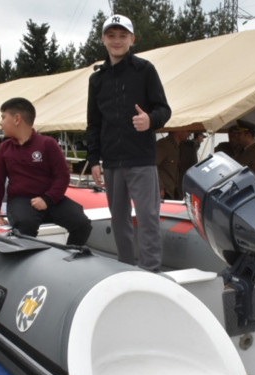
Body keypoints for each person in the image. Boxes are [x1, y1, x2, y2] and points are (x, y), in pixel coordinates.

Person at [86, 14, 171, 271]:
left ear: (132, 39)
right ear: (103, 39)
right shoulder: (96, 79)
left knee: (147, 218)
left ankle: (150, 272)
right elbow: (94, 123)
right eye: (111, 35)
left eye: (122, 35)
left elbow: (164, 110)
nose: (117, 40)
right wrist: (93, 159)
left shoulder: (145, 70)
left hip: (141, 160)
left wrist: (150, 120)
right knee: (119, 221)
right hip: (112, 162)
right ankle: (125, 269)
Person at [0, 97, 92, 245]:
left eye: (3, 118)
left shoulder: (47, 144)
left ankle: (71, 255)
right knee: (25, 225)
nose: (0, 123)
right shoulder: (5, 148)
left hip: (51, 199)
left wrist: (47, 199)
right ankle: (27, 261)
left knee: (82, 224)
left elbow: (62, 176)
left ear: (17, 119)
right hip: (21, 200)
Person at [156, 130, 191, 200]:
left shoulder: (178, 146)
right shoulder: (164, 145)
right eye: (188, 131)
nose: (189, 134)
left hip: (172, 191)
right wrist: (160, 187)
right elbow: (152, 165)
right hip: (164, 192)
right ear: (178, 130)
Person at [177, 132, 204, 196]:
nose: (202, 140)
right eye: (202, 137)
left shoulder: (192, 144)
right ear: (198, 136)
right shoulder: (193, 144)